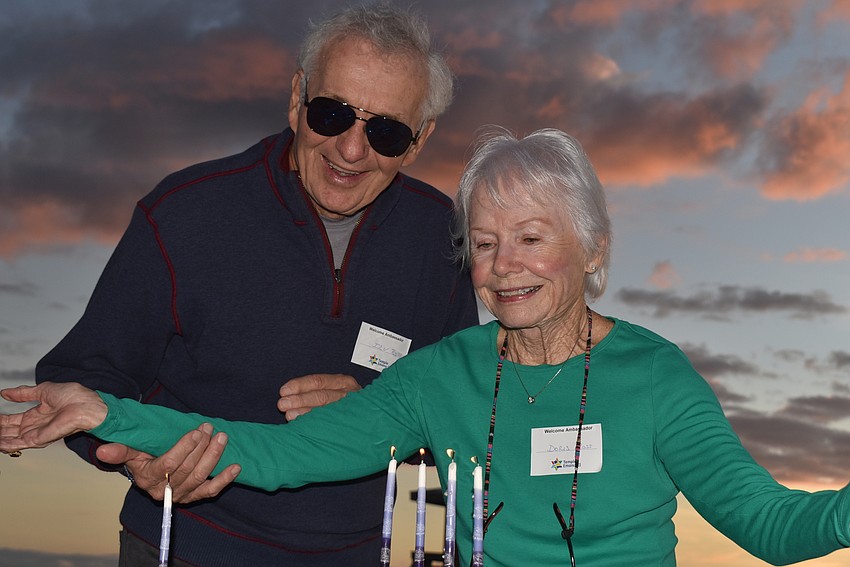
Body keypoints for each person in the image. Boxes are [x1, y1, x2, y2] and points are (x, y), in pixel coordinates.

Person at [4, 127, 849, 567]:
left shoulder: (655, 377)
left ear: (591, 248)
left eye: (529, 237)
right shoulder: (439, 377)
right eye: (483, 243)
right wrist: (109, 411)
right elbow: (279, 453)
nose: (502, 267)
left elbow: (772, 525)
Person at [21, 4, 478, 566]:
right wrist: (132, 458)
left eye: (386, 130)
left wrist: (378, 415)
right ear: (296, 99)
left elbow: (465, 419)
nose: (352, 150)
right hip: (179, 548)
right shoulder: (183, 212)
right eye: (332, 114)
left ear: (420, 139)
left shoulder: (447, 240)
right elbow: (82, 375)